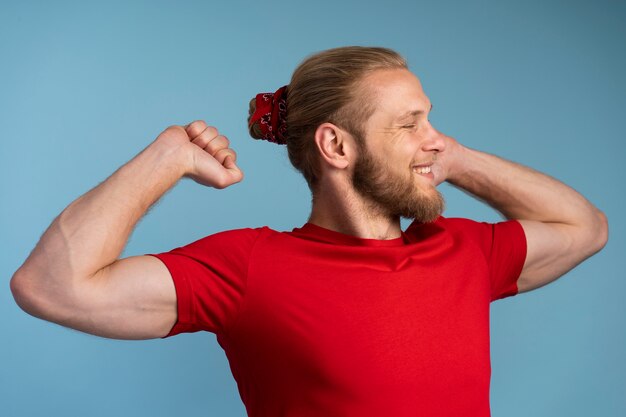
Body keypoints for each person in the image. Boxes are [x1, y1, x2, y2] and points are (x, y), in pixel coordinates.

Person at [10, 46, 608, 416]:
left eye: (432, 119)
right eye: (409, 123)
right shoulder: (248, 267)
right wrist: (163, 159)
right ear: (336, 145)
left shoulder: (463, 251)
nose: (434, 136)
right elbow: (50, 287)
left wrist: (447, 156)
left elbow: (585, 227)